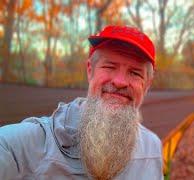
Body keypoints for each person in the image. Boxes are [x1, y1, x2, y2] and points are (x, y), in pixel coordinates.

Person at [0, 25, 163, 180]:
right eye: (110, 66)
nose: (120, 81)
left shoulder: (153, 148)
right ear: (90, 70)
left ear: (147, 85)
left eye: (135, 73)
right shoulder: (19, 147)